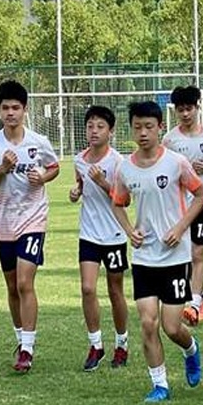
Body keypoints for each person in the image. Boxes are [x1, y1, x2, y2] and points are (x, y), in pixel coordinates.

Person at [111, 101, 203, 403]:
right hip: (144, 259)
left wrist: (181, 228)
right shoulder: (124, 168)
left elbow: (201, 195)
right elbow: (118, 202)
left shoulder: (176, 163)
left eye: (148, 127)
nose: (143, 133)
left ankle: (191, 350)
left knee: (170, 326)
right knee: (148, 322)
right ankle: (160, 385)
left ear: (160, 128)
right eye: (137, 127)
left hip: (175, 257)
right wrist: (130, 231)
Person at [0, 80, 60, 373]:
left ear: (25, 110)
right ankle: (19, 337)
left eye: (16, 107)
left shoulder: (38, 142)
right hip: (5, 223)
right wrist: (2, 168)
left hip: (33, 219)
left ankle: (27, 349)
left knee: (25, 282)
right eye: (5, 108)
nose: (11, 113)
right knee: (12, 286)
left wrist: (43, 178)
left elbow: (54, 167)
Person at [69, 105, 129, 371]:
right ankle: (96, 344)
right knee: (87, 288)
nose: (94, 131)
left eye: (100, 126)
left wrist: (104, 183)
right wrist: (76, 192)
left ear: (111, 131)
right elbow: (81, 186)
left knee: (115, 290)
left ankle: (122, 343)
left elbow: (124, 199)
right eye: (90, 126)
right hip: (89, 233)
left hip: (114, 234)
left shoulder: (118, 162)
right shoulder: (79, 160)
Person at [163, 86, 203, 326]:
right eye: (181, 110)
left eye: (189, 109)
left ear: (198, 108)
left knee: (198, 252)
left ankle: (195, 303)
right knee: (182, 254)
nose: (185, 114)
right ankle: (193, 294)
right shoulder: (170, 139)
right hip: (178, 206)